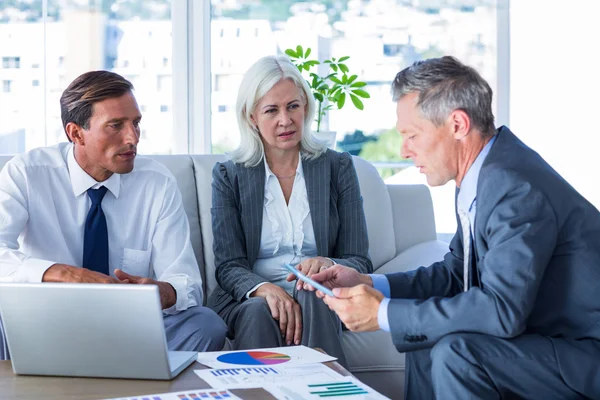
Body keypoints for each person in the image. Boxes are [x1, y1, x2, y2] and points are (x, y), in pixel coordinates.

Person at [310, 56, 600, 399]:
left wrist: (382, 313)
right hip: (548, 342)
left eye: (412, 135)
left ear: (458, 125)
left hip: (583, 353)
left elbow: (501, 311)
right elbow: (455, 274)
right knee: (424, 340)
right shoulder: (484, 174)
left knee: (458, 354)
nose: (404, 150)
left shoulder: (515, 188)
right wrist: (371, 283)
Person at [0, 71, 227, 361]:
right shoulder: (28, 174)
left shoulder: (157, 182)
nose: (132, 137)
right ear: (76, 133)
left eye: (136, 123)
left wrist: (162, 292)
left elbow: (186, 280)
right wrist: (65, 274)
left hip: (129, 327)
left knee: (205, 324)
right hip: (45, 323)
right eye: (115, 126)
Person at [207, 55, 372, 367]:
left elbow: (359, 258)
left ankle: (328, 388)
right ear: (252, 117)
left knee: (316, 293)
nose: (286, 120)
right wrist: (264, 289)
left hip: (317, 293)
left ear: (305, 108)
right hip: (253, 296)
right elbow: (228, 265)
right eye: (272, 110)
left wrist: (328, 263)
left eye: (293, 106)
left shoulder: (337, 167)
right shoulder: (229, 175)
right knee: (259, 310)